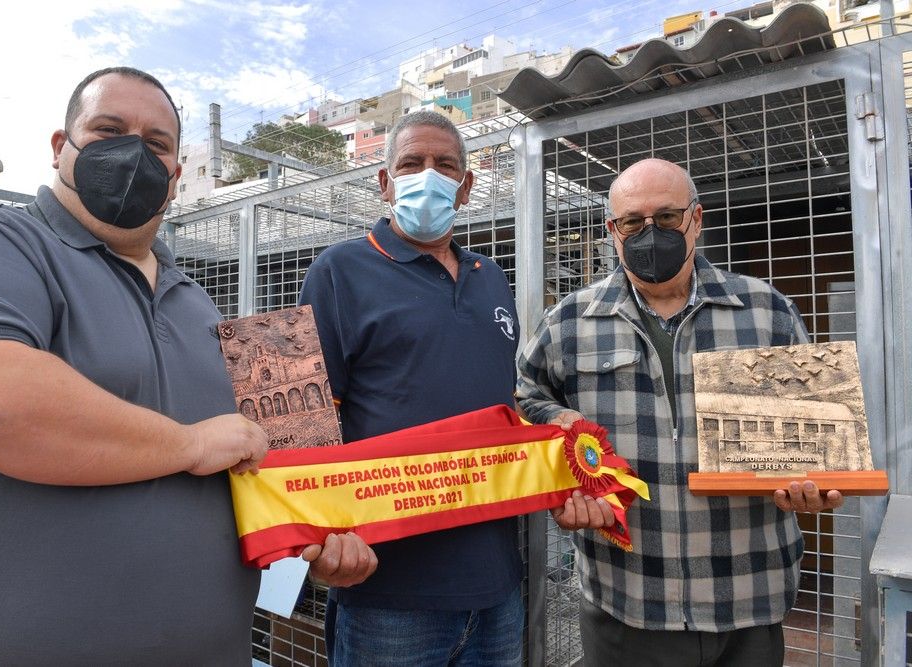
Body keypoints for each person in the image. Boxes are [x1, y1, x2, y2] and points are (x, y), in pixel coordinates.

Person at [0, 66, 373, 664]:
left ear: (177, 176)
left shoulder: (202, 305)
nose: (133, 153)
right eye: (108, 130)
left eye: (156, 144)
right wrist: (188, 444)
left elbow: (255, 467)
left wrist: (317, 537)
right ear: (61, 148)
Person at [516, 158, 844, 666]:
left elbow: (817, 436)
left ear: (696, 218)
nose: (650, 233)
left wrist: (814, 482)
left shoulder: (766, 310)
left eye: (666, 218)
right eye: (633, 222)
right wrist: (567, 465)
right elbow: (524, 403)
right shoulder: (569, 322)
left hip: (747, 593)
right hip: (626, 597)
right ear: (613, 230)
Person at [297, 110, 524, 666]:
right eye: (411, 163)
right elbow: (302, 419)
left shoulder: (490, 276)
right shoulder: (337, 271)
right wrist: (320, 537)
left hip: (498, 588)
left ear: (466, 187)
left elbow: (506, 401)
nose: (429, 175)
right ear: (385, 182)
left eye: (445, 165)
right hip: (388, 593)